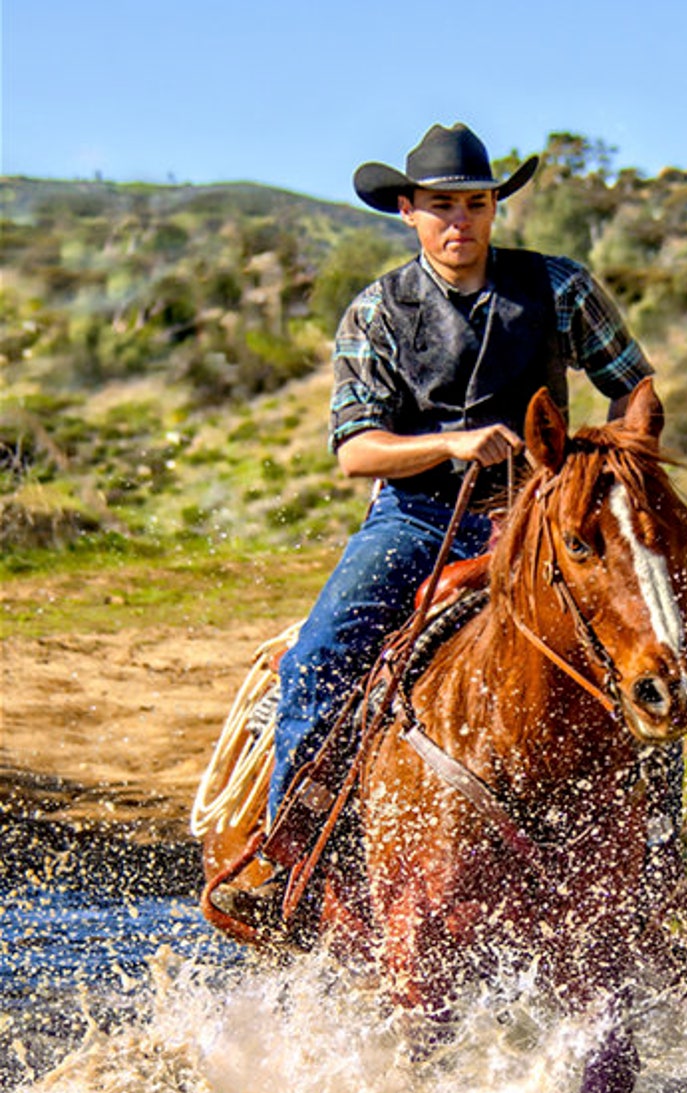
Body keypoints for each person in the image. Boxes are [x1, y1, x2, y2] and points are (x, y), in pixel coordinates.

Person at [268, 122, 656, 821]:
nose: (460, 221)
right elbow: (356, 450)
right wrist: (450, 445)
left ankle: (660, 853)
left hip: (542, 521)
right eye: (442, 206)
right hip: (418, 518)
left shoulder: (560, 287)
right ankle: (287, 839)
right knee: (318, 657)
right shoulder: (376, 311)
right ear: (407, 210)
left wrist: (610, 468)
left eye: (476, 204)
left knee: (650, 653)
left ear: (494, 208)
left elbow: (633, 384)